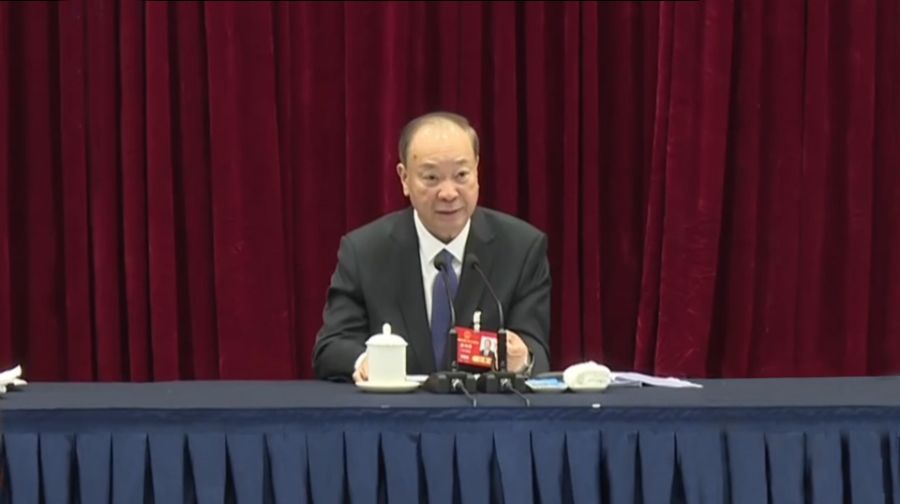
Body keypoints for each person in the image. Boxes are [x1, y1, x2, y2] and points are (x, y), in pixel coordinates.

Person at [313, 111, 551, 382]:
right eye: (431, 178)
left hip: (485, 409)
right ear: (404, 179)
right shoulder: (365, 251)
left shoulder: (520, 248)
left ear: (477, 171)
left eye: (461, 175)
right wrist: (365, 361)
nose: (448, 193)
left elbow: (537, 352)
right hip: (395, 409)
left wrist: (524, 359)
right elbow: (331, 347)